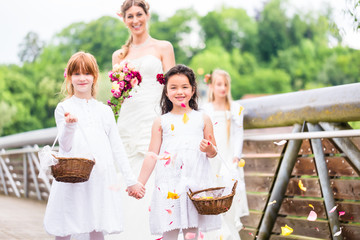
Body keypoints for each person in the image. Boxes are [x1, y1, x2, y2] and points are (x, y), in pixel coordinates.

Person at [43, 52, 145, 240]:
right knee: (67, 222)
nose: (82, 78)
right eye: (77, 74)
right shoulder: (63, 108)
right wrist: (70, 126)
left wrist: (130, 181)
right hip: (73, 176)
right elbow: (65, 146)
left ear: (94, 76)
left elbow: (116, 146)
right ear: (69, 77)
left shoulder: (104, 111)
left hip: (99, 175)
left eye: (87, 73)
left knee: (97, 224)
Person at [111, 0, 175, 238]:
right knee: (127, 170)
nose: (135, 20)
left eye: (139, 14)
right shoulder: (119, 55)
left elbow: (173, 86)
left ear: (147, 15)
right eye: (130, 16)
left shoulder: (163, 47)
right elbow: (118, 93)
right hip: (128, 119)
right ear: (123, 18)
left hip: (153, 117)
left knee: (155, 169)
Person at [137, 64, 221, 239]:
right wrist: (140, 183)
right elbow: (152, 154)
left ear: (193, 90)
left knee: (192, 233)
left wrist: (209, 149)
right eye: (173, 87)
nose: (179, 92)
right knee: (169, 232)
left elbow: (213, 153)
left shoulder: (202, 118)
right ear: (166, 92)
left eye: (184, 87)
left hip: (195, 185)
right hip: (170, 184)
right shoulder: (161, 122)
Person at [202, 69, 249, 240]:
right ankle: (218, 233)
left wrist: (236, 155)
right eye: (218, 84)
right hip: (213, 157)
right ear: (212, 86)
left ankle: (231, 232)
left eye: (225, 85)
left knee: (229, 189)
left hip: (229, 158)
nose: (222, 88)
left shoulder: (235, 108)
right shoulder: (205, 109)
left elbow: (238, 134)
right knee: (214, 191)